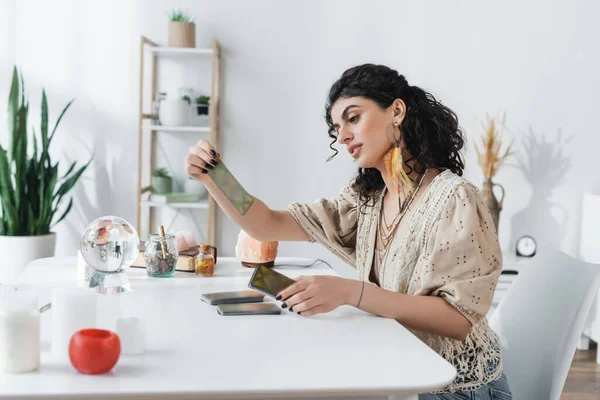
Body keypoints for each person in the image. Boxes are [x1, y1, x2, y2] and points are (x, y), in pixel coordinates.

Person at [185, 64, 511, 399]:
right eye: (337, 128)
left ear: (396, 111)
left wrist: (350, 293)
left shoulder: (454, 197)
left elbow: (457, 320)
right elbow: (266, 223)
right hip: (400, 372)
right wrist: (214, 175)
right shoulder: (366, 202)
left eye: (352, 118)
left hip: (455, 387)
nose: (341, 136)